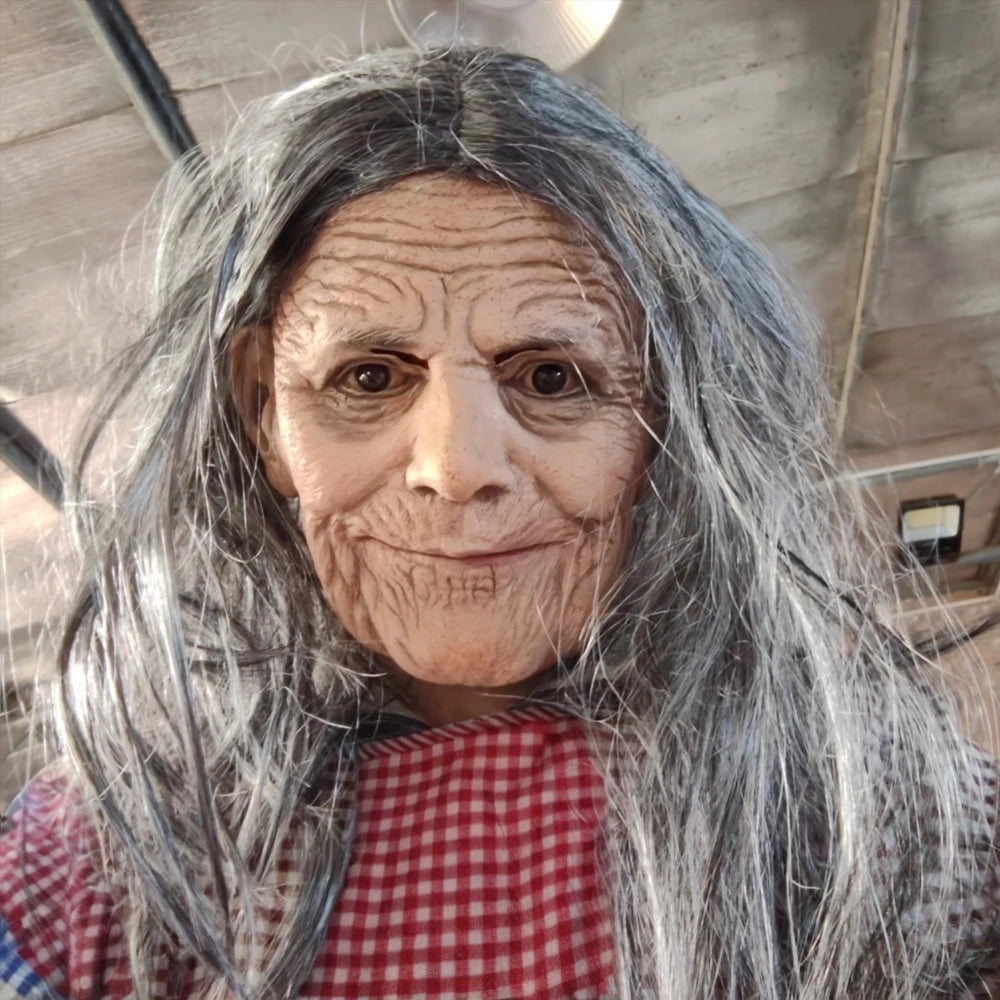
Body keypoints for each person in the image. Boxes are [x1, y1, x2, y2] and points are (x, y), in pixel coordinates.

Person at [1, 46, 997, 1000]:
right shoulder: (117, 853)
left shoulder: (877, 817)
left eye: (552, 378)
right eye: (366, 377)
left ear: (665, 427)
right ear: (262, 408)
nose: (458, 466)